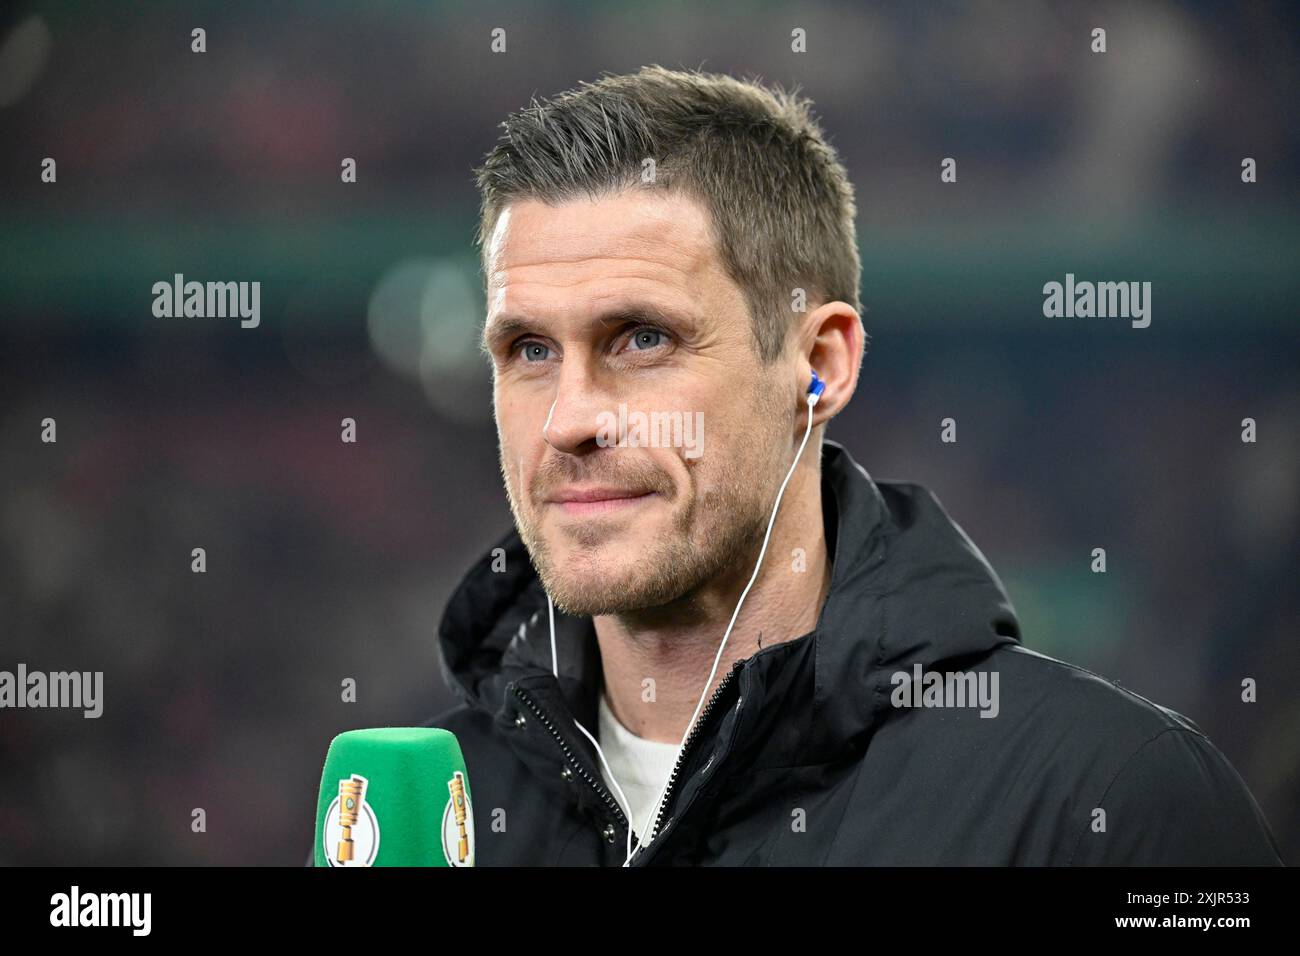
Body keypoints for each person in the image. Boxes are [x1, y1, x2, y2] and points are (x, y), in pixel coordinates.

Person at [424, 66, 1282, 865]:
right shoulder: (420, 813)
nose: (569, 421)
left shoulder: (1109, 800)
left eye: (643, 338)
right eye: (529, 349)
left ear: (819, 366)